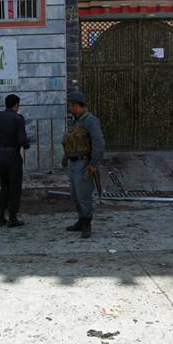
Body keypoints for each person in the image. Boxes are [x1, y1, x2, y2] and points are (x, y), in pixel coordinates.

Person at [61, 91, 105, 239]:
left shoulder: (90, 121)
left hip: (84, 163)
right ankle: (81, 220)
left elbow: (99, 143)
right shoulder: (76, 121)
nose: (69, 107)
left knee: (84, 195)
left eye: (71, 105)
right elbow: (71, 142)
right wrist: (65, 156)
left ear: (76, 105)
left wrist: (93, 163)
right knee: (75, 195)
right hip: (74, 163)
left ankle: (87, 224)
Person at [0, 94, 30, 228]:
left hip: (0, 154)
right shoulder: (18, 118)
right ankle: (12, 217)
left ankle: (0, 215)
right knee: (14, 187)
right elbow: (22, 140)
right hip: (13, 155)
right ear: (16, 105)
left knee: (4, 186)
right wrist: (27, 144)